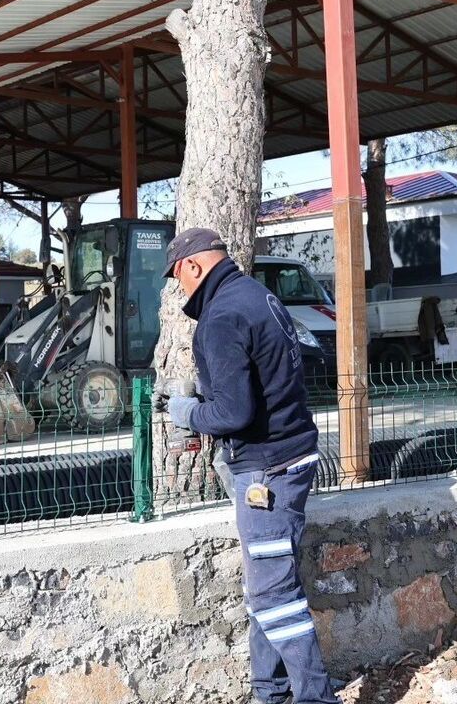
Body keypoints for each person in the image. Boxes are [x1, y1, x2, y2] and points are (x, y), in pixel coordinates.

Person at [162, 228, 339, 704]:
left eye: (178, 279)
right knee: (270, 584)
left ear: (193, 267)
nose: (181, 291)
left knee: (272, 594)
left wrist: (187, 413)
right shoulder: (261, 296)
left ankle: (316, 697)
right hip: (292, 455)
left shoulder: (220, 317)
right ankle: (270, 690)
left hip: (267, 470)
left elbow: (235, 414)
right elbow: (260, 385)